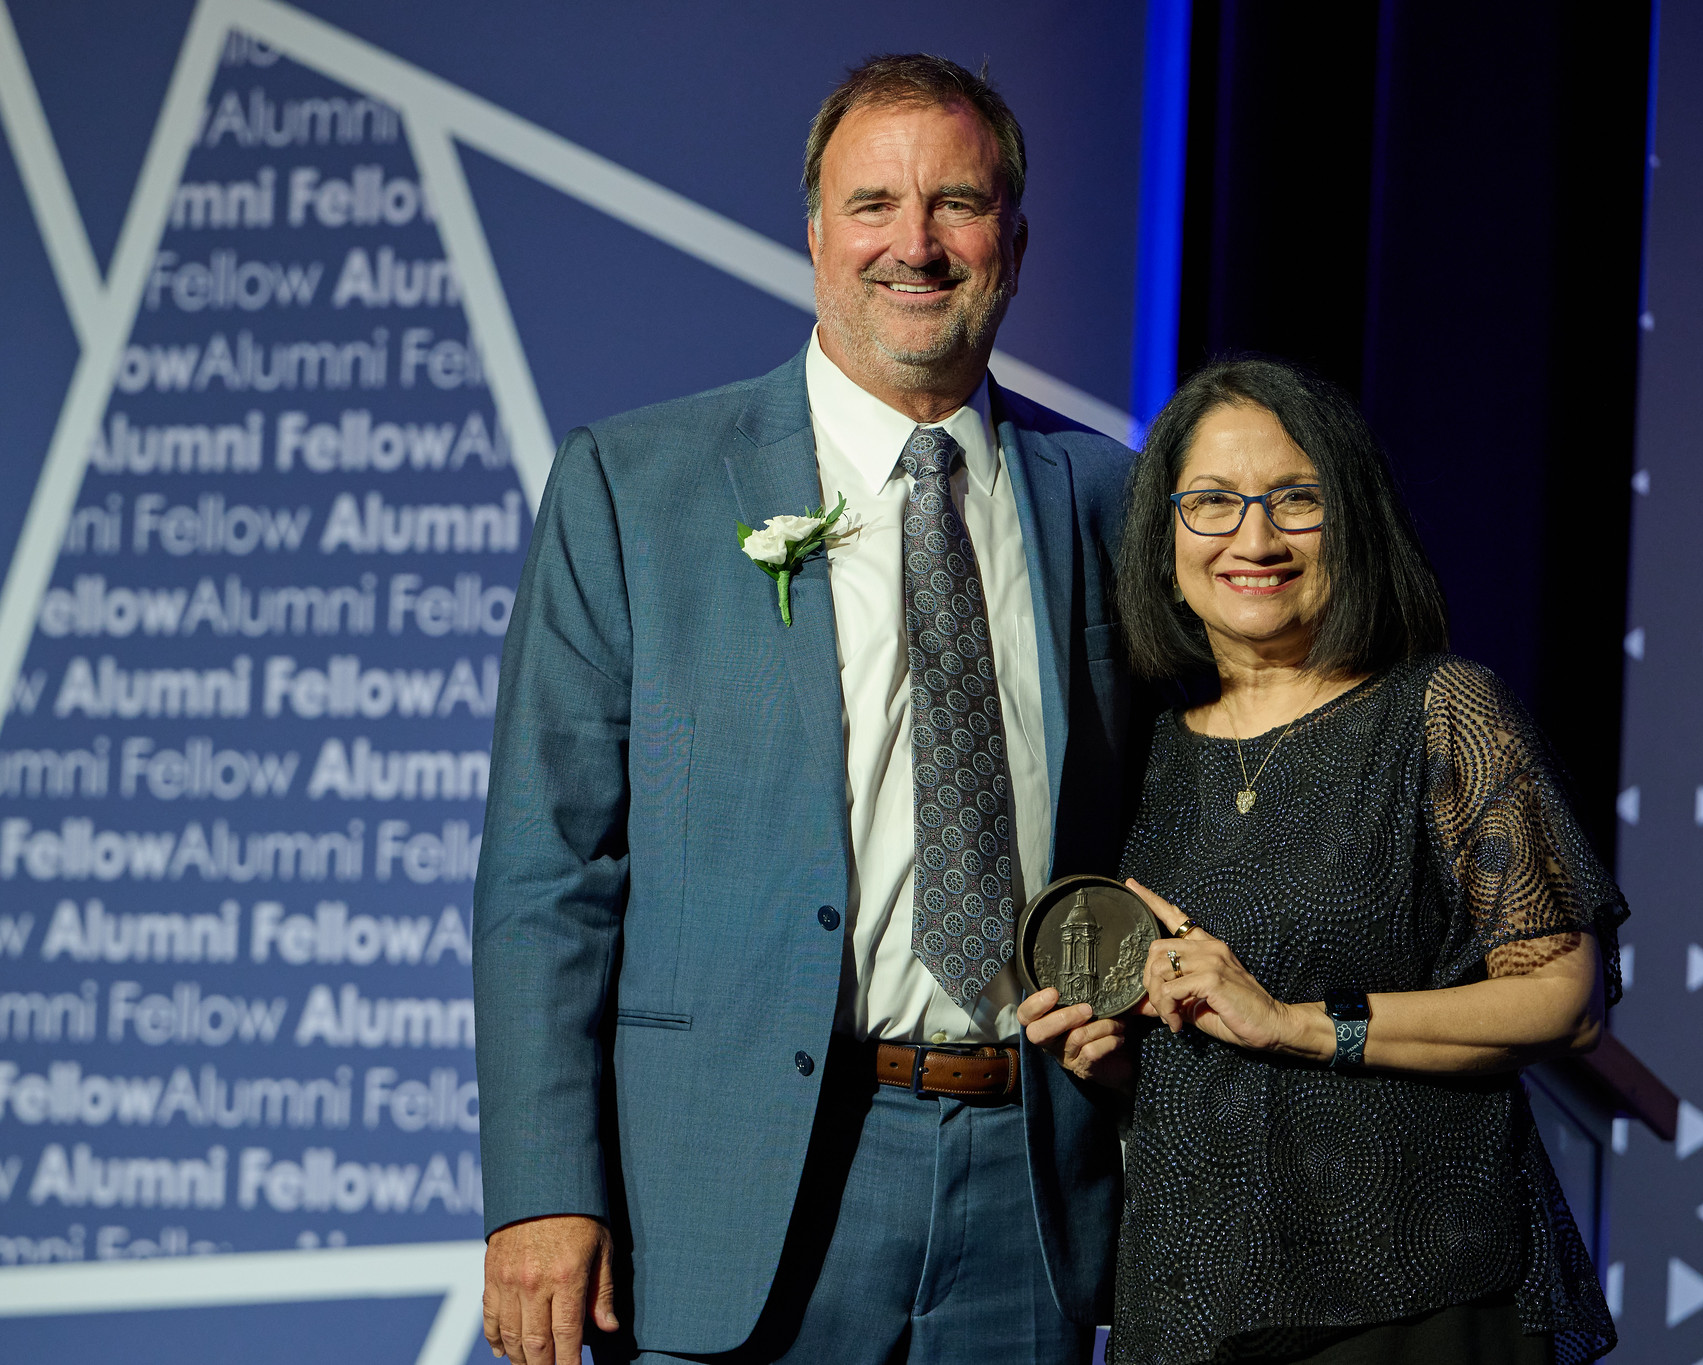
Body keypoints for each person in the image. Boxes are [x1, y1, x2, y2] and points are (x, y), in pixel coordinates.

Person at [473, 55, 1138, 1365]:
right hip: (737, 1184)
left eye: (958, 202)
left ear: (1014, 236)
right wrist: (546, 1186)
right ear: (818, 234)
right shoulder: (638, 486)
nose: (916, 243)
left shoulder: (1110, 500)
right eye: (873, 204)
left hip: (1035, 1184)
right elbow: (549, 868)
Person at [1020, 358, 1625, 1364]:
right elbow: (1194, 1032)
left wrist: (1296, 1025)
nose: (1252, 539)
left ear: (1350, 519)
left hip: (1410, 1295)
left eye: (1293, 501)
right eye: (1211, 503)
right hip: (1194, 1298)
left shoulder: (1437, 713)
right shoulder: (1146, 754)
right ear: (1162, 533)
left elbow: (1561, 996)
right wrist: (1123, 1063)